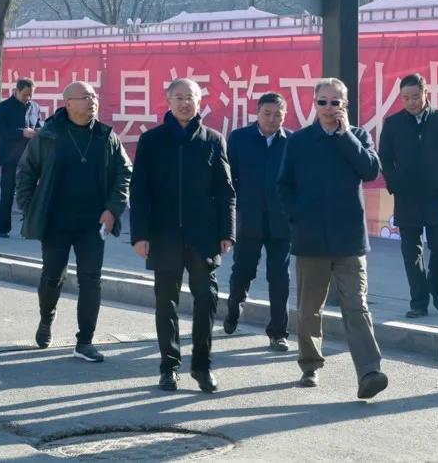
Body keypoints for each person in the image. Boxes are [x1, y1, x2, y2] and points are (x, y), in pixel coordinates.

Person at [277, 77, 388, 400]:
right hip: (310, 239)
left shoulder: (358, 136)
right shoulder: (298, 141)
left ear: (345, 106)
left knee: (357, 305)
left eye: (335, 102)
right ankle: (310, 364)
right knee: (310, 307)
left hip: (349, 239)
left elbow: (370, 171)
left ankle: (369, 371)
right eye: (323, 102)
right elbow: (284, 185)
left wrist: (346, 137)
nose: (328, 108)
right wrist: (297, 216)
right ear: (314, 104)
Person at [130, 78, 235, 393]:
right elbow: (140, 191)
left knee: (207, 299)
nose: (185, 103)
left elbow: (225, 192)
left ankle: (202, 366)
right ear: (167, 100)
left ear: (200, 100)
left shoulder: (213, 140)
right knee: (166, 302)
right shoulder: (151, 141)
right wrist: (140, 235)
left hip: (203, 237)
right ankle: (169, 366)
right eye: (179, 97)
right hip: (163, 236)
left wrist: (227, 233)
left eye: (190, 97)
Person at [16, 81, 132, 362]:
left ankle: (85, 341)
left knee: (91, 279)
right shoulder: (48, 136)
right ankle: (46, 318)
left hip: (93, 223)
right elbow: (26, 173)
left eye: (94, 96)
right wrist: (32, 208)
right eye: (85, 97)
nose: (92, 101)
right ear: (68, 103)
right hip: (56, 221)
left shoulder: (106, 136)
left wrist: (113, 209)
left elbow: (124, 172)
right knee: (52, 276)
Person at [378, 73, 438, 319]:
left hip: (437, 197)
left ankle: (436, 288)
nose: (411, 102)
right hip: (407, 198)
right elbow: (385, 158)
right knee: (410, 253)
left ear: (426, 94)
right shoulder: (393, 124)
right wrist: (395, 185)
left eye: (415, 97)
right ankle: (419, 301)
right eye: (406, 98)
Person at [223, 91, 291, 351]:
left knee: (280, 277)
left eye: (278, 115)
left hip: (281, 222)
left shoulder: (291, 142)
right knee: (243, 271)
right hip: (248, 218)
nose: (272, 119)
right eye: (267, 113)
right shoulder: (240, 138)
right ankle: (233, 311)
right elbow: (230, 178)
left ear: (284, 117)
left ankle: (278, 332)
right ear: (257, 113)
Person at [0, 78, 41, 238]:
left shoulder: (35, 107)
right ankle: (4, 228)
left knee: (31, 194)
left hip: (30, 159)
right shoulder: (4, 107)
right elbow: (1, 130)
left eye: (30, 95)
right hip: (10, 158)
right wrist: (21, 132)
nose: (28, 98)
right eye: (25, 95)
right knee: (7, 193)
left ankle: (28, 228)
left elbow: (38, 125)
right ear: (16, 91)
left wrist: (38, 132)